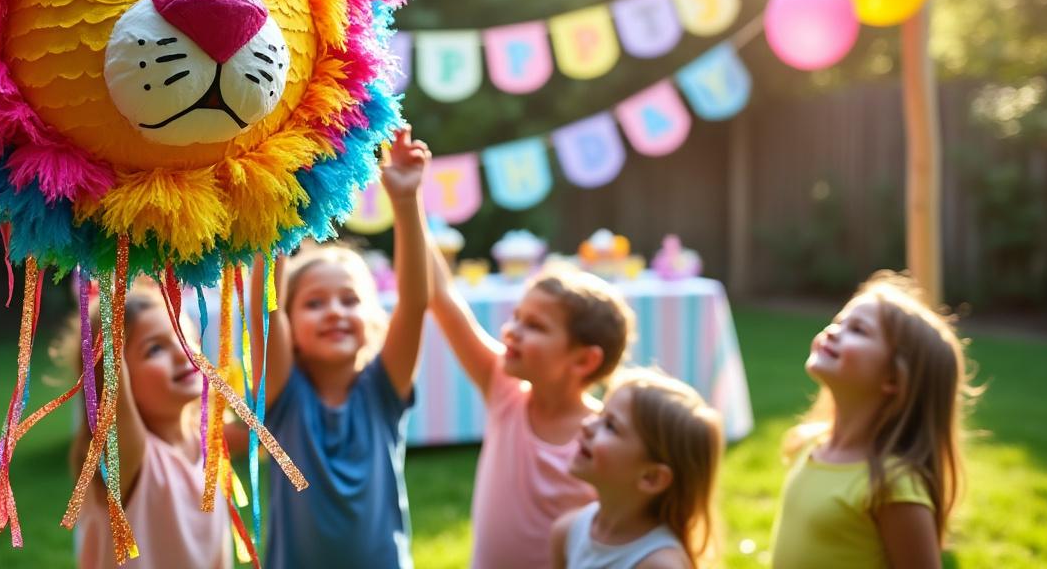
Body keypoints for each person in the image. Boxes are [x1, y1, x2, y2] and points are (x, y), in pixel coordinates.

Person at [254, 126, 432, 569]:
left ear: (372, 317)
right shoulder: (284, 399)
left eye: (350, 300)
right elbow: (264, 310)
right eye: (314, 303)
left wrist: (406, 201)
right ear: (291, 324)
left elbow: (414, 304)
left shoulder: (383, 393)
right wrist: (277, 219)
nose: (334, 312)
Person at [426, 242, 635, 569]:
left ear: (584, 360)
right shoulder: (504, 393)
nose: (511, 332)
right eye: (516, 318)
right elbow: (441, 295)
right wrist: (409, 202)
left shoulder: (604, 440)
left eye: (534, 326)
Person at [770, 271, 974, 568]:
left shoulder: (892, 486)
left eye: (858, 330)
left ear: (893, 377)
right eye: (839, 321)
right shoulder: (810, 443)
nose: (833, 330)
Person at [63, 280, 233, 569]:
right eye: (155, 350)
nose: (183, 353)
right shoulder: (132, 459)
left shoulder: (204, 438)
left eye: (184, 335)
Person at [551, 368, 724, 569]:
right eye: (599, 413)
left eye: (610, 425)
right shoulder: (567, 532)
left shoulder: (659, 564)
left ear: (651, 478)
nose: (586, 425)